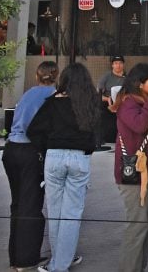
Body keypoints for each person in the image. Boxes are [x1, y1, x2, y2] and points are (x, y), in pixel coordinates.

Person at [28, 62, 100, 272]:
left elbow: (33, 131)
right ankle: (61, 262)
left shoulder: (51, 102)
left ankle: (58, 262)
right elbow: (98, 134)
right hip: (80, 159)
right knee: (72, 214)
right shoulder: (90, 103)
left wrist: (46, 149)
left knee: (55, 212)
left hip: (54, 157)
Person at [2, 61, 58, 271]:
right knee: (31, 205)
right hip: (30, 151)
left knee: (17, 204)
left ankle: (15, 256)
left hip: (11, 149)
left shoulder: (27, 94)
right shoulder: (53, 96)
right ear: (56, 76)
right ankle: (27, 260)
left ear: (37, 75)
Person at [112, 62, 148, 272]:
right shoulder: (128, 103)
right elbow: (140, 125)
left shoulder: (143, 101)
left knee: (147, 227)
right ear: (140, 84)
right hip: (133, 176)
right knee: (138, 226)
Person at [98, 56, 127, 145]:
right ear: (112, 65)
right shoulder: (106, 76)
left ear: (123, 65)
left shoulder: (127, 78)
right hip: (108, 105)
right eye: (115, 63)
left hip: (123, 106)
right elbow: (98, 94)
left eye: (120, 63)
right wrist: (107, 99)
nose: (118, 65)